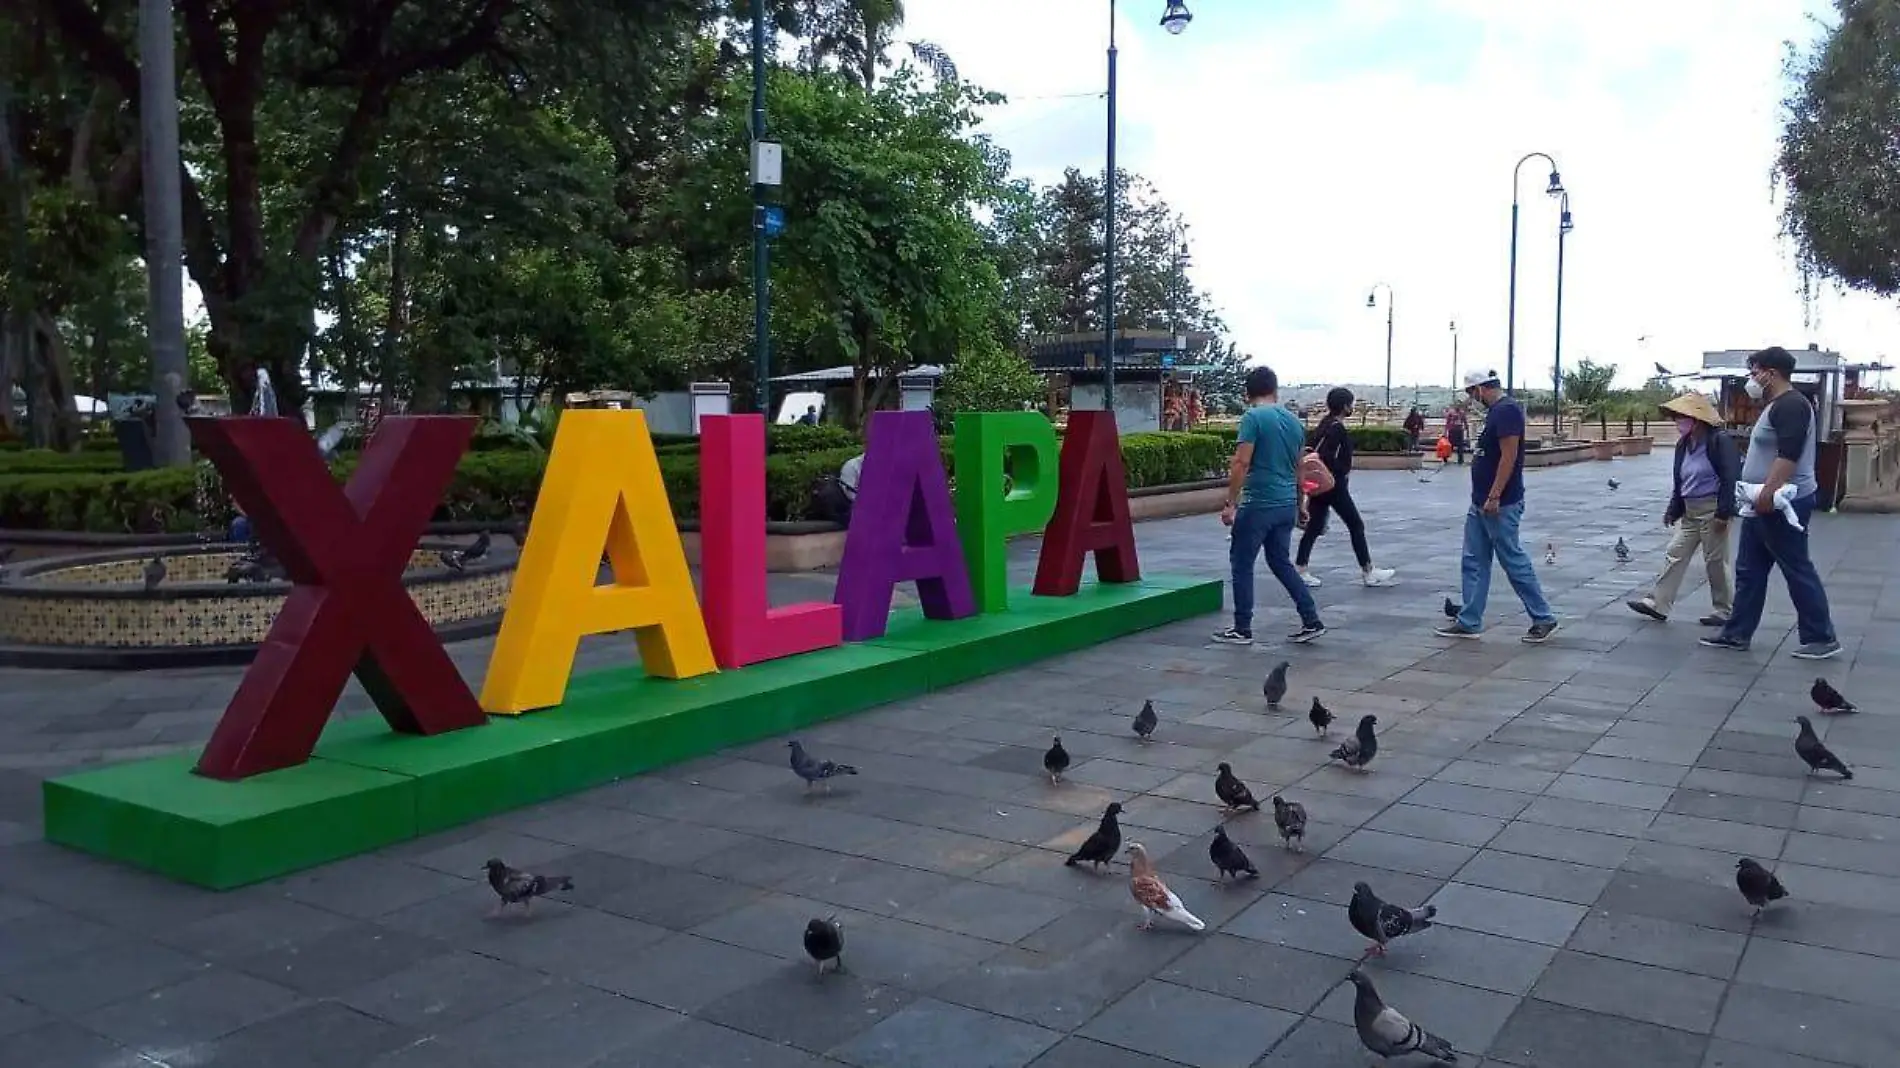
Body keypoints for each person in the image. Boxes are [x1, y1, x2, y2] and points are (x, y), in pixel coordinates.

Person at [1700, 346, 1840, 659]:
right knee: (1749, 569)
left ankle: (1821, 636)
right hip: (1761, 501)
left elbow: (1788, 455)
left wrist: (1767, 491)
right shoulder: (1775, 404)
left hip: (1779, 500)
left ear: (1771, 373)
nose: (1752, 378)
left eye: (1754, 372)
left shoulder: (1792, 405)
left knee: (1796, 567)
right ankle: (1737, 633)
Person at [1436, 369, 1559, 643]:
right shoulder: (1496, 412)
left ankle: (1543, 617)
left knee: (1512, 560)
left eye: (1471, 393)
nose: (1471, 399)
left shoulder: (1506, 411)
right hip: (1480, 501)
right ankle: (1469, 620)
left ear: (1480, 388)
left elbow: (1509, 457)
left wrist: (1495, 496)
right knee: (1474, 561)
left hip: (1499, 503)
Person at [1214, 365, 1327, 646]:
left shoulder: (1253, 417)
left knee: (1241, 563)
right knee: (1280, 562)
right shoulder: (1293, 422)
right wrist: (1300, 503)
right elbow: (1299, 466)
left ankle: (1242, 627)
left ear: (1247, 393)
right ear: (1275, 391)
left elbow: (1242, 462)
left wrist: (1230, 502)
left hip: (1258, 503)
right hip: (1285, 503)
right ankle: (1311, 619)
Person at [1627, 392, 1738, 626]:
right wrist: (1673, 509)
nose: (1678, 422)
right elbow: (1681, 481)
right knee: (1675, 552)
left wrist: (1724, 513)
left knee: (1715, 561)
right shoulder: (1684, 445)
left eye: (1681, 418)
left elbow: (1730, 477)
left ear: (1696, 420)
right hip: (1690, 510)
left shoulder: (1719, 441)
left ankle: (1724, 610)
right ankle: (1658, 603)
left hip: (1713, 508)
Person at [1296, 387, 1398, 589]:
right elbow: (1327, 455)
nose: (1352, 407)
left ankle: (1301, 568)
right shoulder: (1337, 428)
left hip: (1321, 484)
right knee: (1356, 525)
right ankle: (1368, 571)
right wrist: (1341, 471)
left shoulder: (1324, 424)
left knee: (1315, 527)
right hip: (1334, 486)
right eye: (1350, 404)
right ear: (1345, 406)